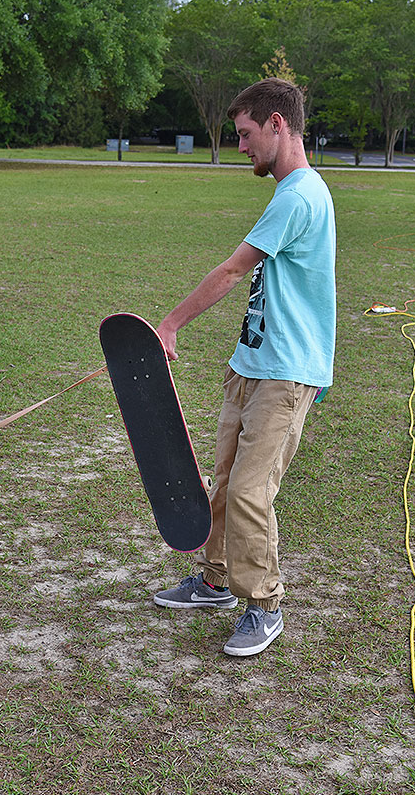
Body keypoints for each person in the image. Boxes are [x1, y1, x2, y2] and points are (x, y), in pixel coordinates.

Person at [151, 78, 336, 657]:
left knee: (253, 491)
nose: (241, 147)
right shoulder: (290, 192)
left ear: (278, 124)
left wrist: (170, 325)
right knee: (227, 483)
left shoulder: (300, 196)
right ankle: (214, 581)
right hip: (252, 364)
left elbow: (233, 272)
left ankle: (264, 603)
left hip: (286, 375)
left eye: (246, 134)